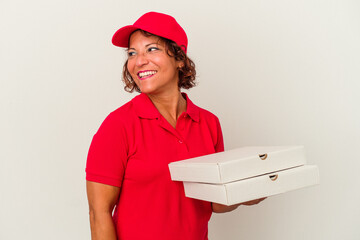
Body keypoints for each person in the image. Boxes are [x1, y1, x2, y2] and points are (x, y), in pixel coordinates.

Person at [85, 12, 265, 240]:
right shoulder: (118, 125)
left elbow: (214, 203)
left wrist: (247, 194)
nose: (139, 61)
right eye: (132, 53)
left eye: (152, 49)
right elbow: (98, 213)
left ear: (180, 58)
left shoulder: (208, 123)